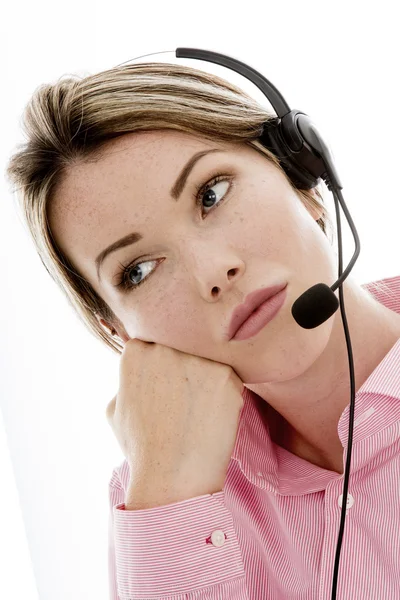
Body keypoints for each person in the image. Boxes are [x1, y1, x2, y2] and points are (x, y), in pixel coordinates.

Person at [6, 60, 400, 599]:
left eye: (210, 194)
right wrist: (171, 496)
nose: (213, 273)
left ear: (302, 174)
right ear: (121, 332)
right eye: (139, 270)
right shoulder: (156, 494)